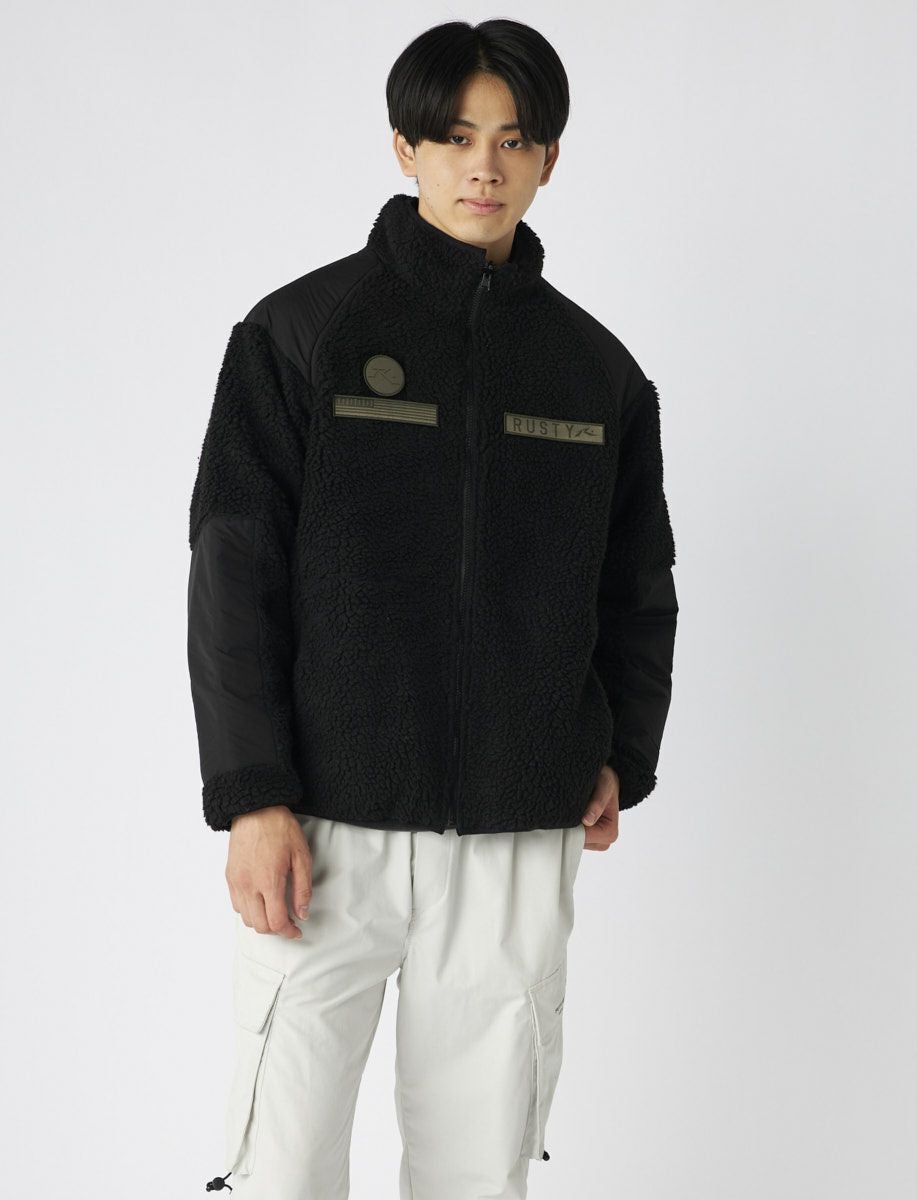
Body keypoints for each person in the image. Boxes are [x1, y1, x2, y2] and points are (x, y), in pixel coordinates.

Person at [190, 17, 679, 1200]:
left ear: (549, 158)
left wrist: (620, 752)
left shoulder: (598, 374)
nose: (484, 166)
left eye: (513, 140)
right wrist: (252, 794)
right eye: (456, 137)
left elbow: (636, 586)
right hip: (324, 825)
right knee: (282, 1163)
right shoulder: (300, 335)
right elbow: (232, 569)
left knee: (476, 1172)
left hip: (515, 829)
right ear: (405, 147)